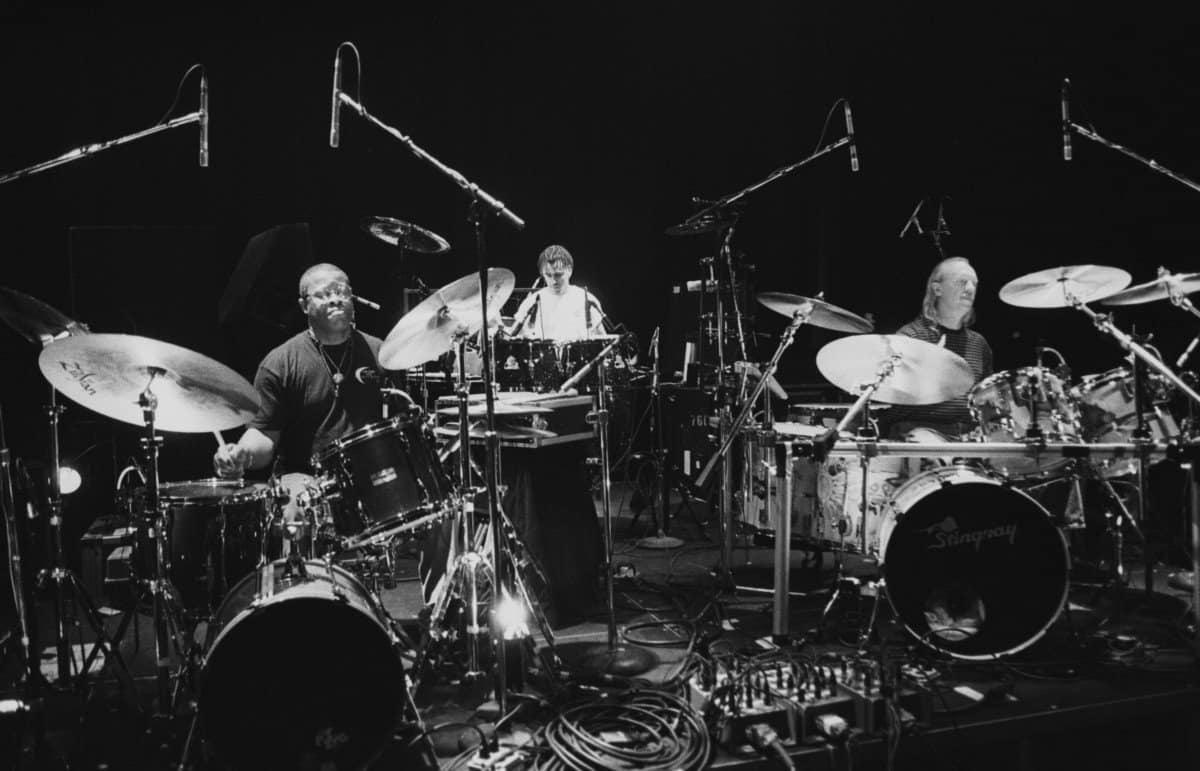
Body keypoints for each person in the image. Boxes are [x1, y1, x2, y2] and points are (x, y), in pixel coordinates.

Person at [213, 263, 385, 478]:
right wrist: (242, 454)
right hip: (307, 481)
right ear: (304, 306)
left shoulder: (382, 352)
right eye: (323, 294)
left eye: (341, 291)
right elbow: (264, 434)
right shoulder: (280, 363)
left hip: (375, 475)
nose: (335, 299)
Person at [883, 256, 994, 439]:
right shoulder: (911, 337)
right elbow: (889, 392)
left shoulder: (978, 344)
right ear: (937, 289)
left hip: (968, 436)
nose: (970, 289)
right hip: (920, 431)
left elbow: (986, 400)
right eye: (961, 282)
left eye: (974, 283)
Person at [508, 244, 607, 340]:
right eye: (548, 275)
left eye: (558, 275)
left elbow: (603, 339)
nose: (553, 281)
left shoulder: (586, 299)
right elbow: (513, 339)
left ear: (569, 270)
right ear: (542, 274)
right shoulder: (531, 302)